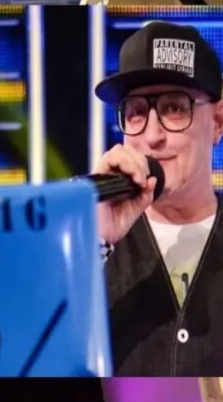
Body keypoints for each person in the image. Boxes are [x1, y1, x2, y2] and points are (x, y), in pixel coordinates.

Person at [94, 21, 223, 376]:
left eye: (174, 108)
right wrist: (96, 240)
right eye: (136, 112)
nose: (152, 136)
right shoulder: (91, 245)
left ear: (218, 121)